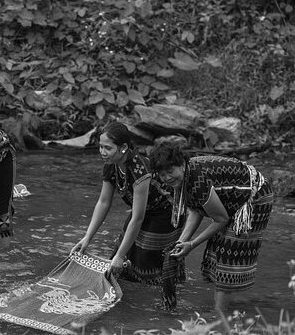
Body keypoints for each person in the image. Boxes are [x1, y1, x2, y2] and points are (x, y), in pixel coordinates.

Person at [149, 141, 274, 312]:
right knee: (218, 253)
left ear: (182, 165)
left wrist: (192, 245)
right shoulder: (184, 179)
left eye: (170, 172)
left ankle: (219, 316)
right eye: (162, 175)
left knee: (227, 254)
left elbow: (221, 219)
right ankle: (224, 308)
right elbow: (195, 210)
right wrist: (181, 242)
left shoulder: (197, 179)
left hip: (254, 196)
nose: (167, 178)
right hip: (231, 199)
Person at [70, 122, 184, 304]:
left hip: (165, 212)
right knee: (120, 258)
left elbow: (137, 218)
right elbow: (103, 202)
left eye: (108, 148)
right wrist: (87, 237)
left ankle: (151, 301)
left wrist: (121, 256)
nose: (102, 152)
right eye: (100, 147)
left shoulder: (139, 169)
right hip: (144, 210)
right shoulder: (110, 165)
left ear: (123, 148)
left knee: (145, 260)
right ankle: (126, 298)